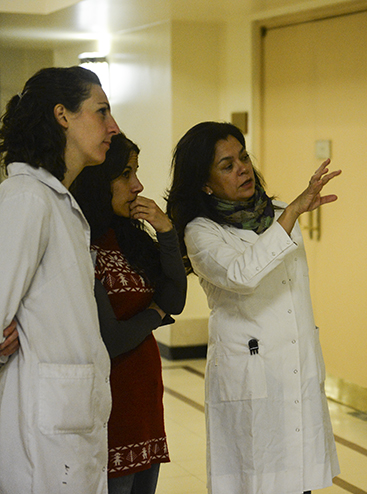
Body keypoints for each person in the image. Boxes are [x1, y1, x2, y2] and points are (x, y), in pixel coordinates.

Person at [166, 121, 341, 494]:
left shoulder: (277, 213)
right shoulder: (201, 232)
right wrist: (291, 215)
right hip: (251, 374)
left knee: (300, 481)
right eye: (227, 165)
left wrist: (286, 214)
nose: (243, 168)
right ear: (205, 183)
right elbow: (242, 274)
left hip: (296, 368)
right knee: (257, 479)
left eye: (243, 157)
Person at [0, 66, 119, 493]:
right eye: (101, 111)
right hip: (42, 428)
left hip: (68, 418)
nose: (113, 126)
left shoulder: (58, 201)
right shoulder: (27, 198)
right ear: (62, 115)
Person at [71, 133, 187, 494]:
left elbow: (175, 298)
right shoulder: (79, 243)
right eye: (125, 174)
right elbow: (110, 340)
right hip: (109, 403)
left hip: (145, 399)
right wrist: (155, 314)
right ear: (98, 180)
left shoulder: (128, 237)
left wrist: (166, 231)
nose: (138, 185)